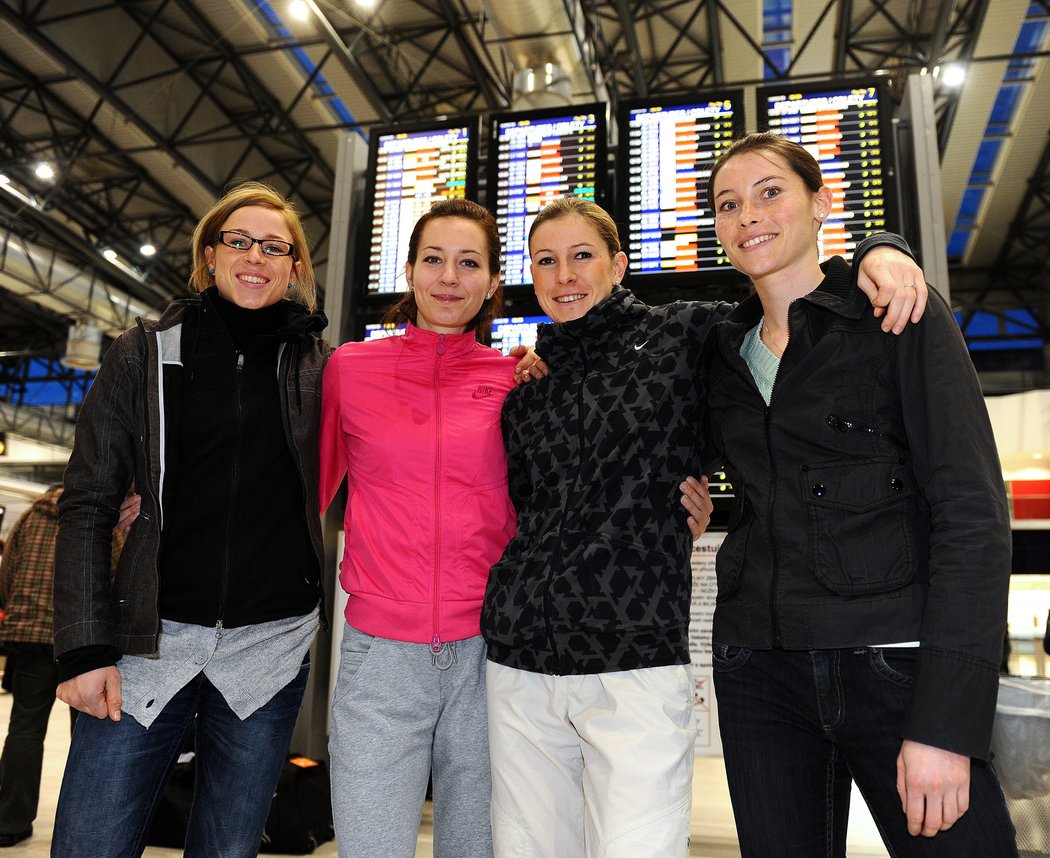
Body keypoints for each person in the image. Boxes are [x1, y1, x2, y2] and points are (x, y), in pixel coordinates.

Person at [480, 193, 927, 857]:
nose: (564, 274)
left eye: (581, 256)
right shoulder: (528, 385)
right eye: (546, 261)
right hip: (519, 658)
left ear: (619, 264)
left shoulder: (685, 334)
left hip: (634, 653)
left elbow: (788, 295)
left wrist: (881, 249)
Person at [702, 132, 1017, 856]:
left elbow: (972, 517)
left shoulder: (897, 315)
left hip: (895, 662)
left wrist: (946, 722)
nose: (748, 214)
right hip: (761, 671)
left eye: (770, 191)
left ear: (822, 204)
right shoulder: (719, 355)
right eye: (728, 204)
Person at [52, 181, 330, 858]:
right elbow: (88, 500)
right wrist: (85, 649)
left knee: (228, 849)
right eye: (239, 241)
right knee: (90, 843)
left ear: (295, 266)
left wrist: (523, 372)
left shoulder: (322, 370)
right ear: (210, 254)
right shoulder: (140, 356)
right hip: (146, 643)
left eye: (275, 246)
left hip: (268, 650)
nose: (255, 257)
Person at [319, 197, 578, 858]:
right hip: (380, 656)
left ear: (493, 281)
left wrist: (678, 498)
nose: (448, 277)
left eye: (469, 263)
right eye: (433, 259)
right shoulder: (351, 370)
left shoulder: (517, 381)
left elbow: (559, 504)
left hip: (490, 657)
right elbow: (304, 490)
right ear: (409, 271)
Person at [0, 486, 121, 849]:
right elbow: (115, 579)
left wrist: (18, 617)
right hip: (81, 642)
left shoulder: (29, 517)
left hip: (29, 637)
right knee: (87, 733)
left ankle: (9, 821)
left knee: (24, 728)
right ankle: (85, 825)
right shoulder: (100, 521)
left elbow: (6, 572)